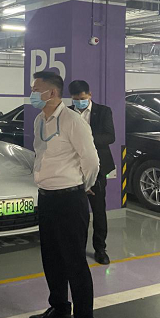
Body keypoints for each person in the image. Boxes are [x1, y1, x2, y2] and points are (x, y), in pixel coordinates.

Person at [28, 71, 100, 318]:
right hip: (46, 198)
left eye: (36, 90)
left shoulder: (73, 121)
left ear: (52, 92)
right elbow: (40, 154)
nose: (32, 94)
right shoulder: (39, 119)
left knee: (75, 262)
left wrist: (83, 186)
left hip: (69, 200)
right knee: (51, 258)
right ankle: (59, 309)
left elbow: (91, 160)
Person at [68, 80, 116, 266]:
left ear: (90, 94)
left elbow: (110, 137)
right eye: (75, 99)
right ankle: (76, 248)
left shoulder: (103, 111)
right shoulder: (67, 112)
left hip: (97, 168)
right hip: (73, 169)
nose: (79, 102)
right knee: (76, 212)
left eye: (82, 98)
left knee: (98, 210)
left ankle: (100, 249)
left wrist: (85, 138)